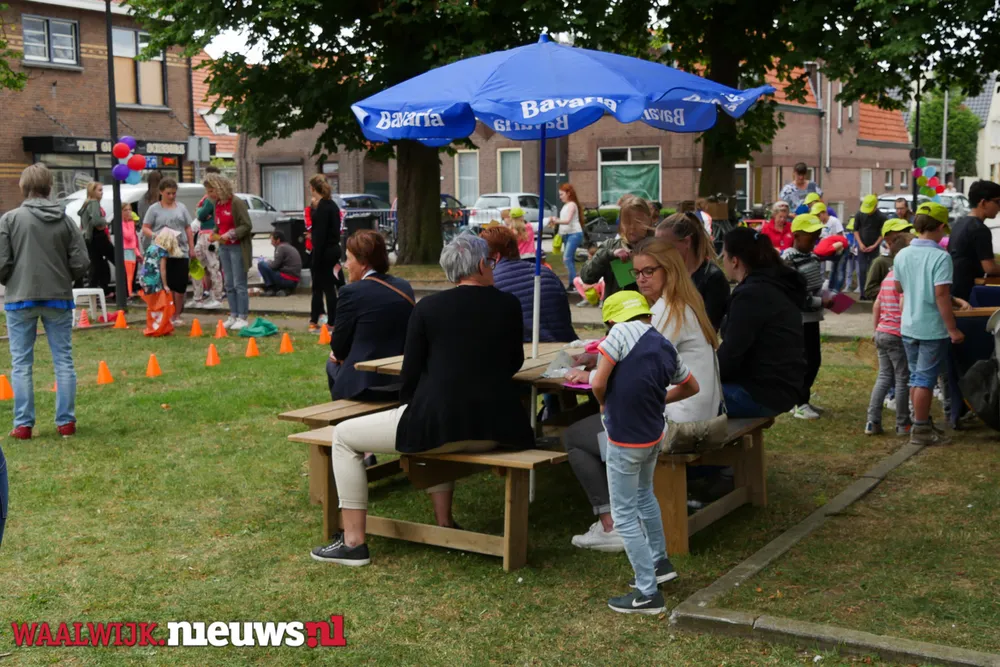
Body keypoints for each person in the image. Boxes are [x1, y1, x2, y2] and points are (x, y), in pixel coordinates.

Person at [310, 234, 533, 566]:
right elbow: (514, 361)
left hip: (440, 425)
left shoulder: (429, 308)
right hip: (496, 428)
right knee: (437, 422)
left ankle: (354, 542)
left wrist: (412, 404)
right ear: (481, 265)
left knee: (343, 436)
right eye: (490, 262)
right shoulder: (508, 305)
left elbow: (410, 371)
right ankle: (444, 521)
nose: (493, 267)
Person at [561, 240, 719, 554]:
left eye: (649, 271)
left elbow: (632, 376)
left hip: (680, 421)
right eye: (637, 272)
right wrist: (599, 359)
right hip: (698, 411)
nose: (641, 279)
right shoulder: (681, 306)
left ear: (670, 271)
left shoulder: (664, 312)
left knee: (574, 436)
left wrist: (591, 374)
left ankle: (614, 525)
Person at [588, 291, 699, 615]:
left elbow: (598, 382)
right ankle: (659, 563)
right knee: (645, 496)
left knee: (624, 515)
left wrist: (604, 403)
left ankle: (648, 592)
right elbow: (691, 386)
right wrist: (658, 399)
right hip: (653, 435)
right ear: (647, 314)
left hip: (624, 437)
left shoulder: (619, 332)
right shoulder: (664, 344)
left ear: (612, 319)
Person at [0, 163, 89, 439]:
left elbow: (2, 262)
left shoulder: (10, 219)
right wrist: (65, 278)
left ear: (23, 187)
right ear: (49, 187)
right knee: (63, 360)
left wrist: (12, 280)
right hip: (58, 298)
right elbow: (81, 260)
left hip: (20, 298)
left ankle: (23, 424)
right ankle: (66, 422)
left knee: (21, 363)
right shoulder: (65, 220)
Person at [893, 202, 963, 446]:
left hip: (908, 325)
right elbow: (941, 295)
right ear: (941, 226)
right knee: (924, 380)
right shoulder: (940, 257)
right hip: (931, 328)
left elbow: (898, 287)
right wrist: (952, 329)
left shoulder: (902, 254)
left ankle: (919, 422)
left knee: (916, 377)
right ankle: (921, 429)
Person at [717, 227, 806, 417]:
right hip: (782, 388)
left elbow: (731, 353)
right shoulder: (773, 285)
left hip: (760, 393)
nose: (722, 261)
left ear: (734, 261)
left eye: (724, 256)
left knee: (678, 399)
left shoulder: (751, 295)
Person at [327, 229, 414, 401]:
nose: (345, 265)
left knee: (331, 363)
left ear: (363, 262)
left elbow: (338, 346)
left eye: (348, 259)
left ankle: (341, 410)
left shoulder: (351, 292)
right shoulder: (404, 286)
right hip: (401, 382)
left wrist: (339, 355)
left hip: (365, 385)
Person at [482, 226, 576, 342]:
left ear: (496, 256)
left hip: (522, 346)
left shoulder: (491, 282)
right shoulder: (547, 273)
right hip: (562, 342)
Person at [781, 214, 833, 420]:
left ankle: (803, 399)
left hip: (812, 317)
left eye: (817, 236)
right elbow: (793, 295)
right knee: (804, 362)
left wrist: (829, 296)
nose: (815, 241)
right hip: (798, 319)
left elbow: (816, 286)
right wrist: (821, 302)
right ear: (796, 235)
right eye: (811, 237)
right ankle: (799, 403)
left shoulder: (813, 257)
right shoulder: (788, 260)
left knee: (814, 360)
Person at [866, 233, 914, 437]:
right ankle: (903, 424)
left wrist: (875, 330)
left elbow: (877, 304)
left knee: (884, 376)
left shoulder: (888, 277)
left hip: (882, 332)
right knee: (902, 378)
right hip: (897, 334)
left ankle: (872, 421)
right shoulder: (904, 278)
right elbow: (903, 303)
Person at [654, 212, 730, 330]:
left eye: (666, 247)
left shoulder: (712, 278)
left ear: (686, 242)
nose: (660, 253)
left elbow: (709, 326)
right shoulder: (669, 273)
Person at [202, 174, 253, 330]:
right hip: (224, 247)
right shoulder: (217, 204)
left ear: (220, 188)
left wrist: (230, 234)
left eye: (212, 191)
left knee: (239, 283)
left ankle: (243, 316)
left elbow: (246, 225)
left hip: (237, 247)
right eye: (208, 191)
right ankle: (233, 314)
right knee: (229, 283)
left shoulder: (236, 203)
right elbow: (219, 224)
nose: (209, 194)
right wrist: (214, 233)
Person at [141, 177, 194, 325]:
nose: (171, 196)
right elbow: (145, 227)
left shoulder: (181, 208)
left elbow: (188, 228)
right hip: (162, 250)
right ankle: (166, 312)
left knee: (180, 284)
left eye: (174, 193)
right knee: (165, 283)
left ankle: (177, 314)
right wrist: (155, 235)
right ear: (161, 192)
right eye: (168, 193)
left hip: (180, 250)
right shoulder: (154, 209)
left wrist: (191, 247)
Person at [579, 195, 651, 299]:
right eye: (627, 222)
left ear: (648, 221)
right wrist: (608, 255)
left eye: (638, 222)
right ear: (620, 223)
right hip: (617, 307)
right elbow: (587, 277)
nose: (632, 227)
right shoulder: (610, 246)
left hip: (649, 307)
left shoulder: (657, 248)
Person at [948, 179, 1000, 301]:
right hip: (968, 294)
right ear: (983, 202)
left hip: (953, 290)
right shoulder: (979, 229)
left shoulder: (960, 224)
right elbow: (990, 268)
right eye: (998, 202)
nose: (999, 207)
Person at [308, 174, 342, 333]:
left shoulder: (322, 208)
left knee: (323, 287)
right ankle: (324, 318)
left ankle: (327, 320)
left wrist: (315, 259)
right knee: (332, 286)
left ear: (312, 188)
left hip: (324, 252)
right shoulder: (332, 205)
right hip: (334, 249)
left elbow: (320, 235)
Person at [138, 229, 180, 337]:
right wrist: (165, 285)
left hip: (145, 279)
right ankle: (159, 328)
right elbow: (162, 269)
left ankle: (152, 326)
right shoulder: (162, 251)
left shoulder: (151, 248)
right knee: (159, 305)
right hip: (155, 280)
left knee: (151, 305)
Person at [193, 168, 224, 309]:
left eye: (211, 190)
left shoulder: (210, 200)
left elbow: (200, 214)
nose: (209, 193)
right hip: (204, 233)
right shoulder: (210, 199)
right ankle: (201, 296)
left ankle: (215, 297)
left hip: (209, 234)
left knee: (212, 265)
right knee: (202, 264)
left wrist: (200, 211)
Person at [862, 218, 914, 300]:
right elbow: (869, 290)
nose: (905, 234)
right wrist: (890, 289)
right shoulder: (881, 262)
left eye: (907, 231)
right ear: (886, 237)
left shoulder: (914, 258)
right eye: (900, 231)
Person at [546, 183, 584, 289]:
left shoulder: (572, 205)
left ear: (568, 193)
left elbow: (567, 221)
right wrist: (556, 221)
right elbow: (564, 221)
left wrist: (555, 220)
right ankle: (573, 283)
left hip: (574, 234)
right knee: (569, 259)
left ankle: (573, 284)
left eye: (561, 194)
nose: (560, 197)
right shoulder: (566, 205)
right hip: (568, 234)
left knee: (566, 258)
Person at [79, 181, 114, 297]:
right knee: (117, 260)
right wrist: (105, 222)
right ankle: (123, 291)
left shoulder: (86, 204)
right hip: (98, 236)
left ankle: (96, 292)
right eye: (99, 190)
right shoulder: (94, 203)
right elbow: (96, 221)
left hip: (90, 238)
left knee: (97, 265)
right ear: (92, 191)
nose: (102, 193)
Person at [852, 194, 888, 299]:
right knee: (862, 270)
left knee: (873, 270)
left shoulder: (881, 217)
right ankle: (862, 293)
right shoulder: (859, 214)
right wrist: (860, 244)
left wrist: (875, 245)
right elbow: (855, 230)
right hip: (862, 247)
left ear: (876, 206)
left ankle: (872, 293)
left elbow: (883, 233)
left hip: (874, 247)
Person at [258, 231, 303, 296]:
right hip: (294, 282)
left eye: (272, 240)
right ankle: (285, 290)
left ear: (278, 240)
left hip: (286, 280)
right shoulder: (290, 247)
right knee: (271, 267)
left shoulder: (281, 247)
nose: (271, 243)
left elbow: (274, 266)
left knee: (261, 264)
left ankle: (271, 289)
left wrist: (269, 262)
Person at [572, 242, 605, 306]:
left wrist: (590, 285)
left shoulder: (601, 263)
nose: (589, 256)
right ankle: (586, 299)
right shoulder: (587, 263)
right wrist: (584, 283)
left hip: (597, 285)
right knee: (576, 280)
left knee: (604, 283)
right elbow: (583, 275)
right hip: (589, 284)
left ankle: (602, 300)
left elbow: (602, 278)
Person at [120, 202, 141, 298]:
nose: (128, 212)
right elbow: (128, 236)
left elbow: (133, 240)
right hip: (126, 251)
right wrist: (131, 223)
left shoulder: (130, 223)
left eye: (130, 210)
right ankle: (129, 292)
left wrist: (137, 253)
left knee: (132, 274)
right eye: (125, 210)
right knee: (128, 274)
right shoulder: (122, 224)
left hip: (132, 250)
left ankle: (130, 291)